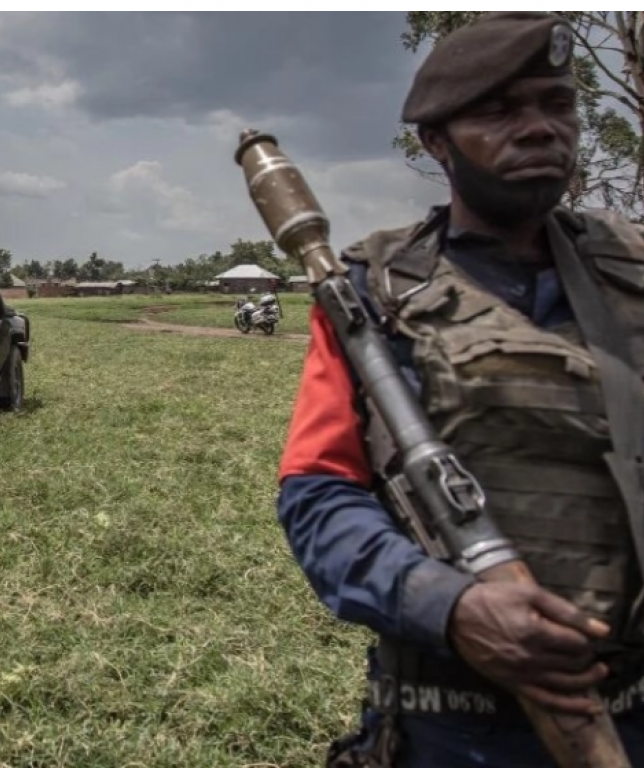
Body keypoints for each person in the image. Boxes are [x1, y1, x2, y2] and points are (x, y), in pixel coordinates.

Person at [276, 12, 644, 767]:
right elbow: (318, 494)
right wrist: (450, 607)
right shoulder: (370, 295)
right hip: (455, 731)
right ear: (435, 142)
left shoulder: (634, 273)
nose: (541, 128)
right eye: (499, 110)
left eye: (557, 103)